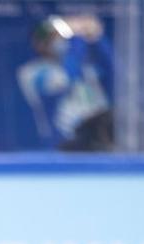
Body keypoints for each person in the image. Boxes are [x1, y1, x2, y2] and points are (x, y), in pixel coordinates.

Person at [16, 15, 113, 151]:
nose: (59, 41)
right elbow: (66, 78)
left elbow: (114, 71)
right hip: (65, 145)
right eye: (52, 38)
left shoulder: (86, 66)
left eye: (61, 37)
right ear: (38, 44)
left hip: (100, 139)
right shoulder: (31, 73)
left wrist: (97, 39)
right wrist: (78, 37)